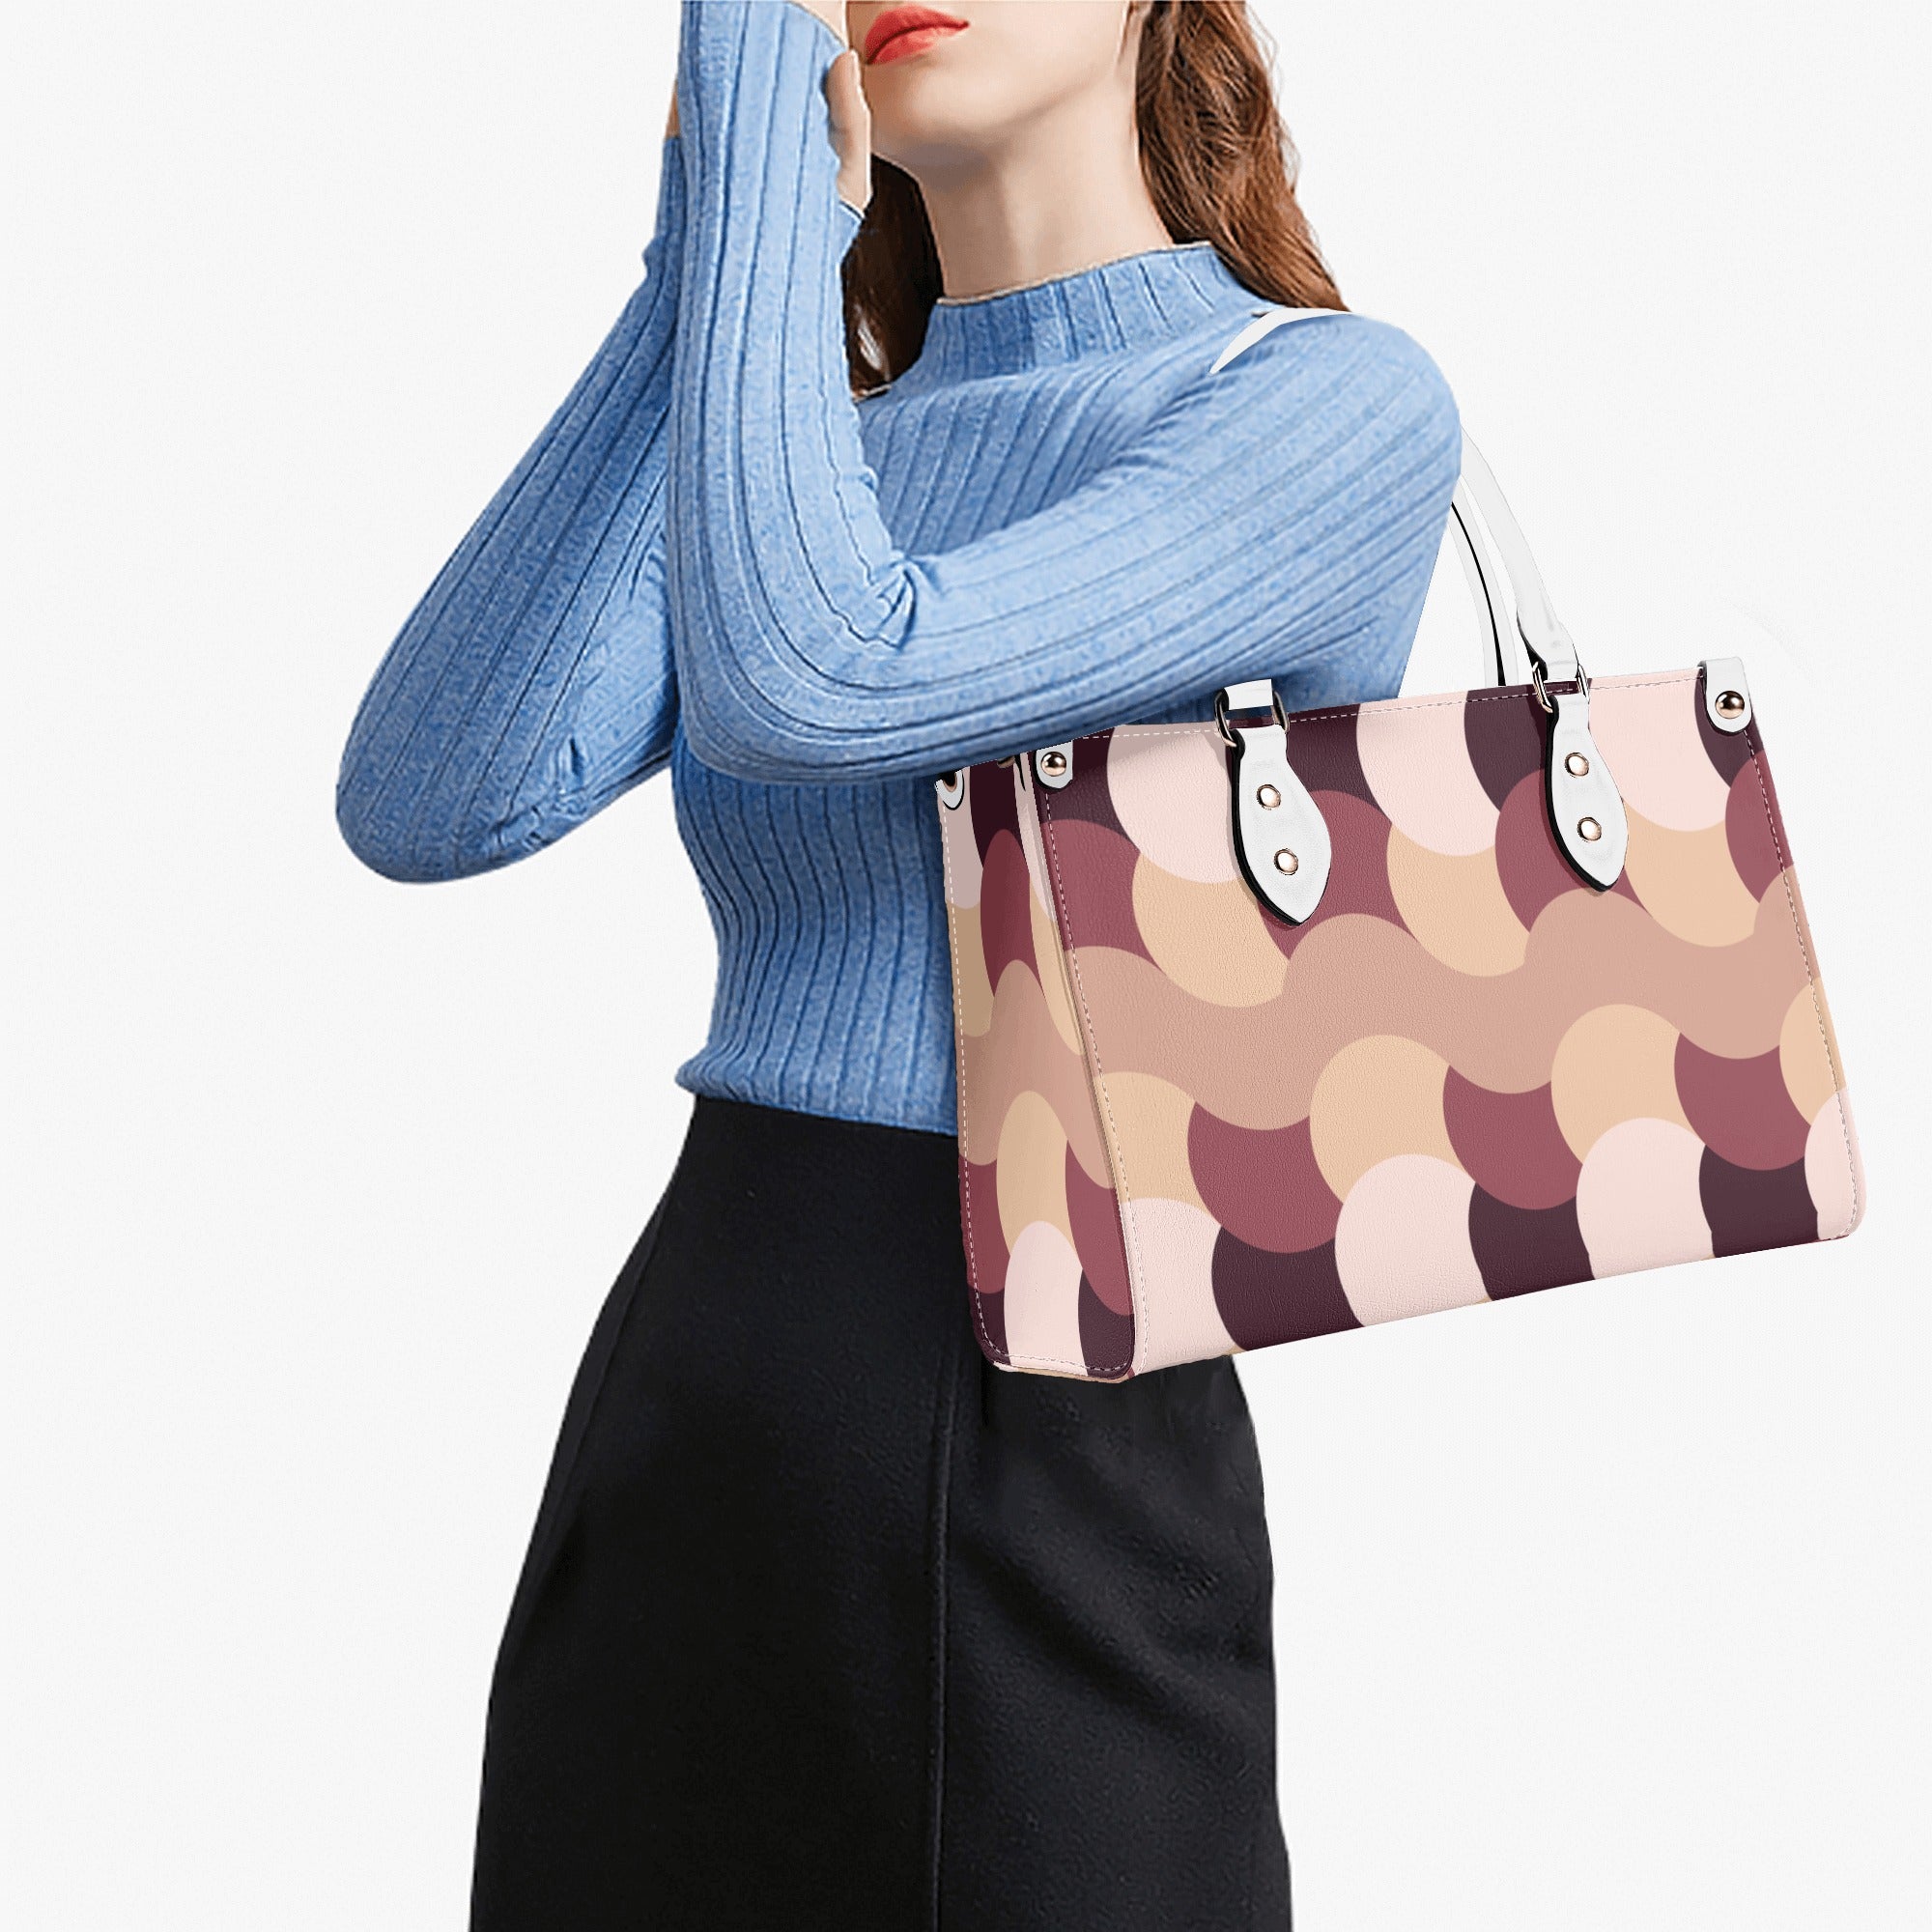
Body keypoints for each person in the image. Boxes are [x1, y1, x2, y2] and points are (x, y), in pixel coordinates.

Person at [335, 2, 1461, 1925]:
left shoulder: (1321, 404)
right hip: (706, 1373)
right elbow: (440, 788)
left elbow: (821, 673)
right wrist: (709, 248)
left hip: (1057, 1419)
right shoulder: (809, 452)